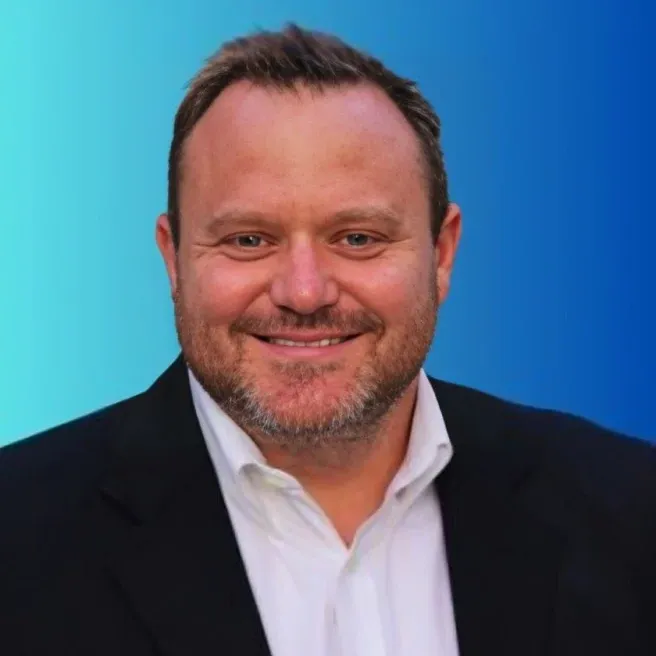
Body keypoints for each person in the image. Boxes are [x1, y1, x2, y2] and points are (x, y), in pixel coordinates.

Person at [1, 23, 654, 656]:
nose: (305, 292)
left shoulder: (631, 510)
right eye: (249, 239)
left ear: (442, 253)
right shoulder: (18, 535)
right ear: (174, 260)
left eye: (358, 238)